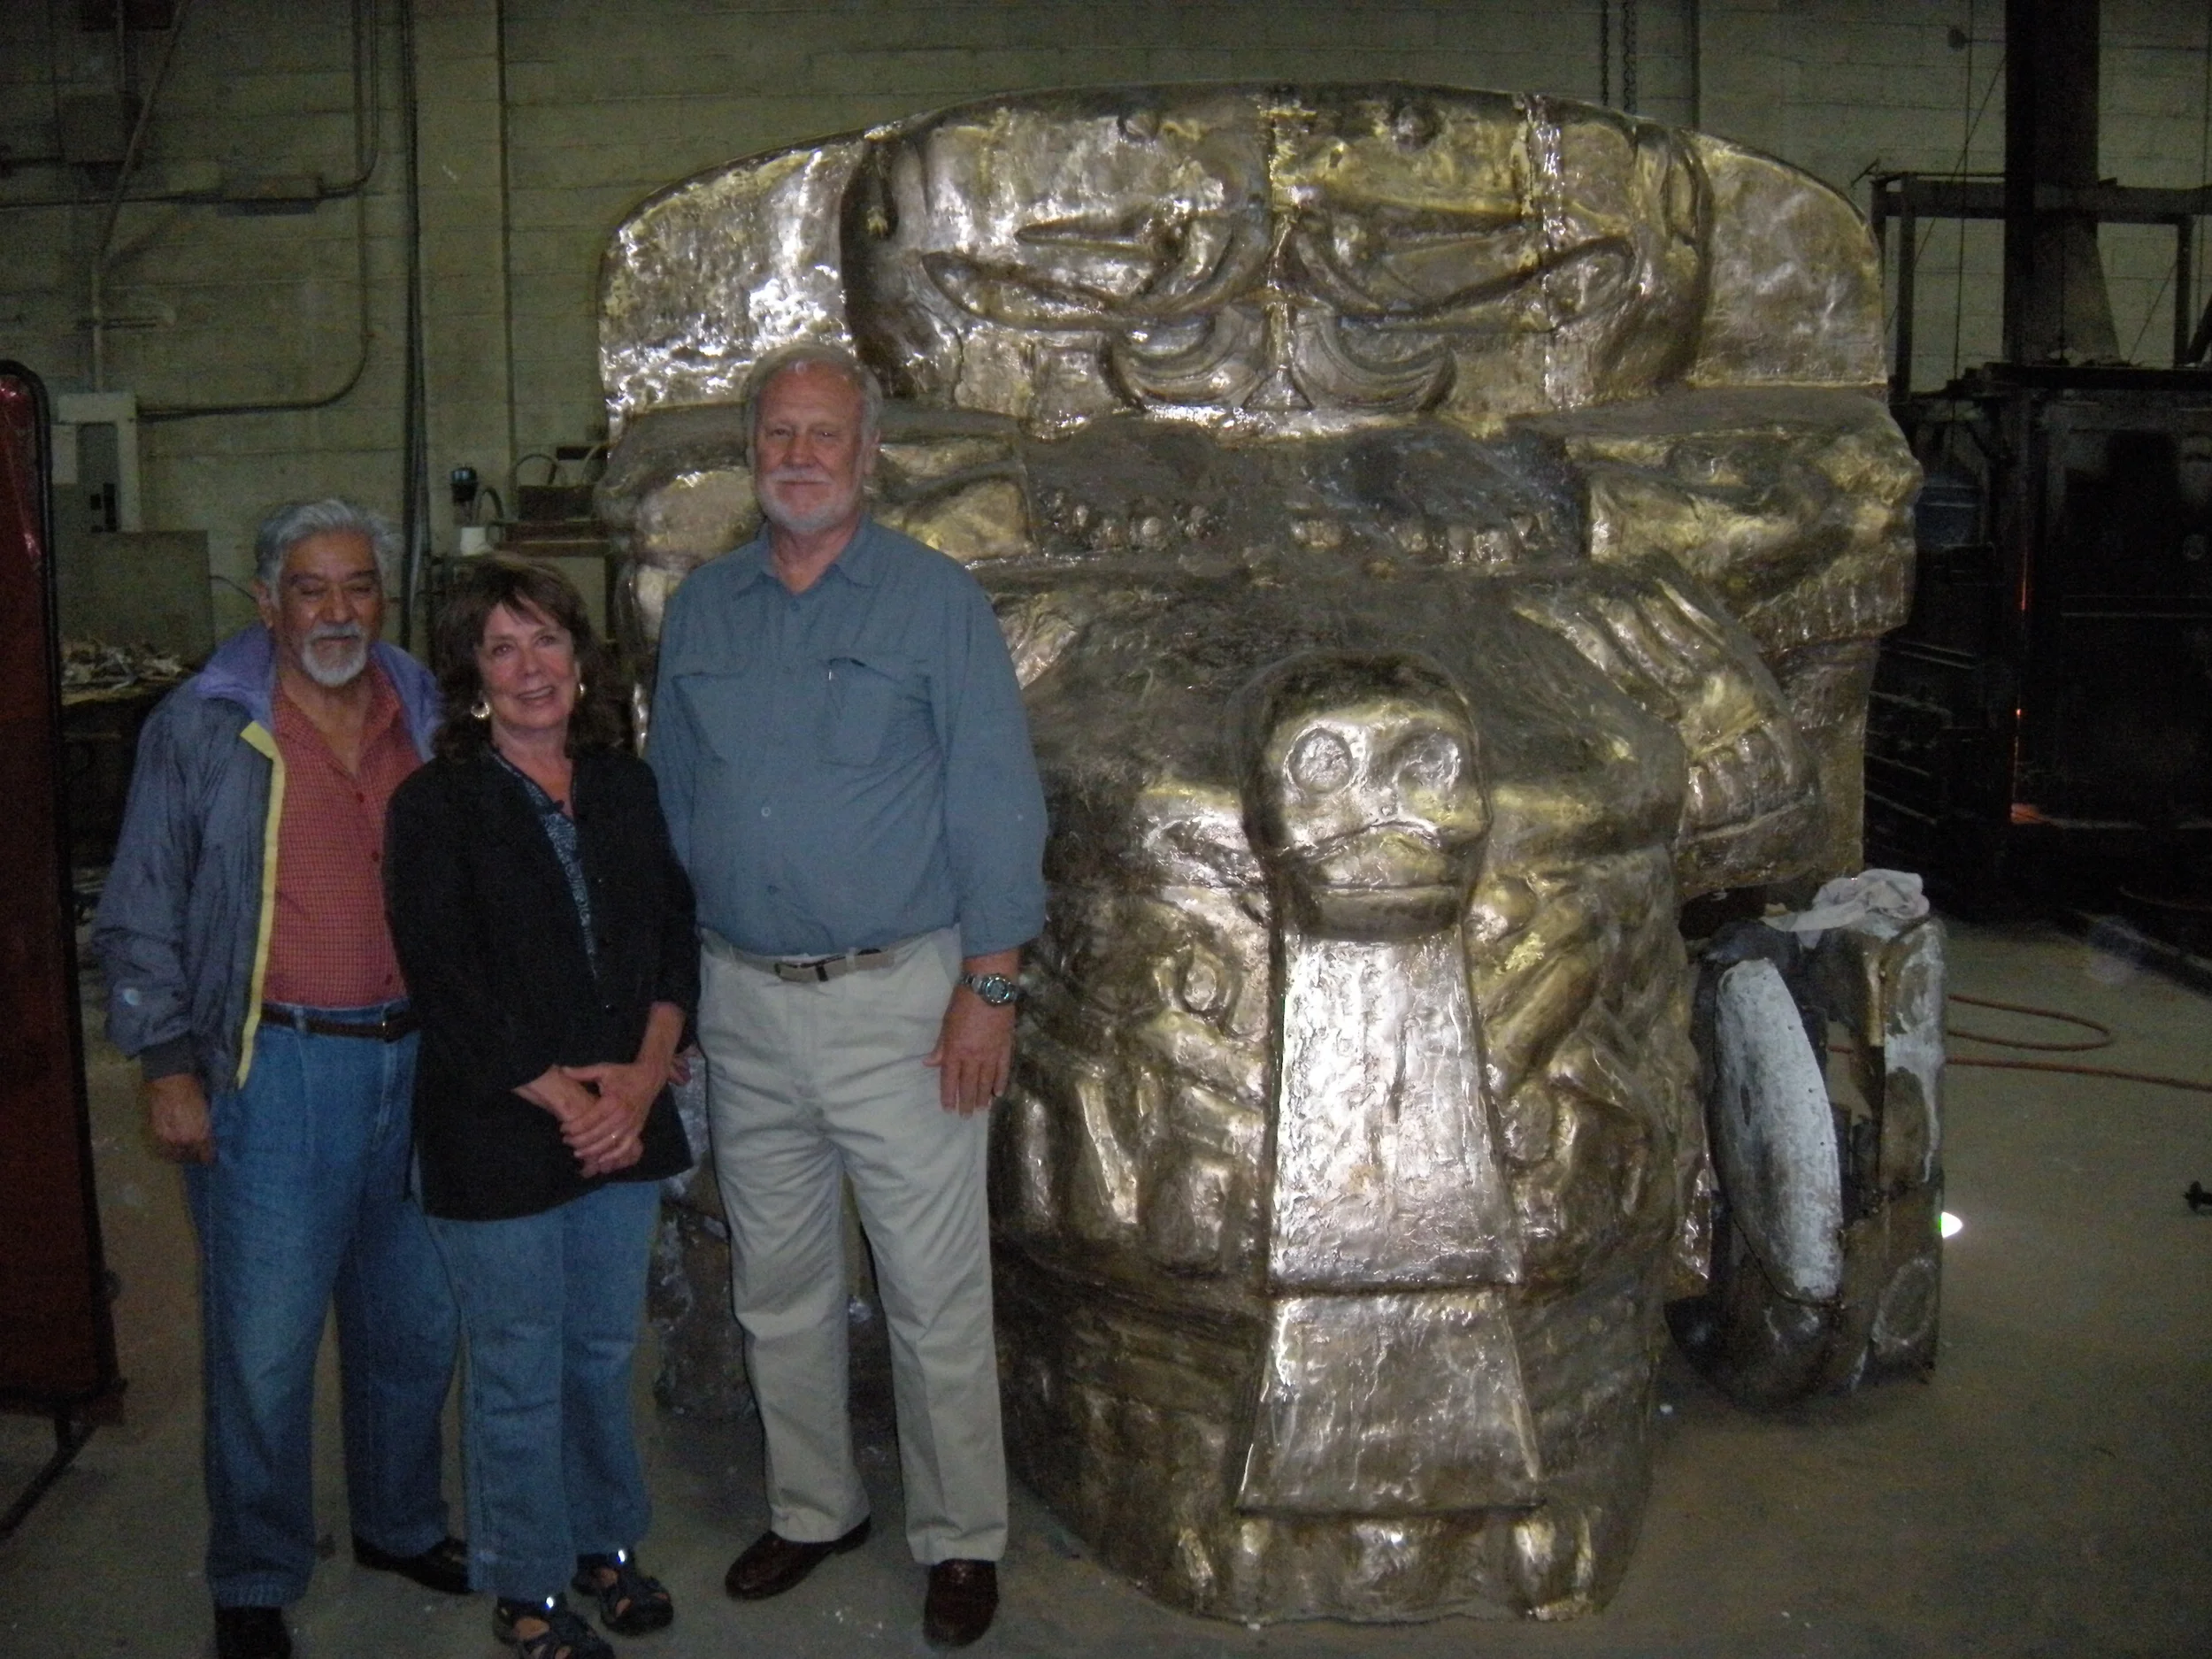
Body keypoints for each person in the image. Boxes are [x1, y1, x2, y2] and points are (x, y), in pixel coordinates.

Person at [647, 342, 1047, 1649]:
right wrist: (679, 997)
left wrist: (990, 983)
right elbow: (672, 806)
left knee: (935, 1291)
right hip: (745, 1000)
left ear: (869, 457)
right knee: (780, 1283)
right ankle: (816, 1505)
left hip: (904, 1001)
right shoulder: (705, 611)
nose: (800, 456)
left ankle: (960, 1533)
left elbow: (996, 796)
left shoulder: (935, 603)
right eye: (779, 436)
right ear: (752, 454)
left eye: (824, 435)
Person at [94, 499, 465, 1659]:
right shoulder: (203, 725)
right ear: (266, 601)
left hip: (418, 1064)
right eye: (311, 587)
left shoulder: (430, 707)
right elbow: (141, 907)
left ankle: (400, 1522)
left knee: (412, 1325)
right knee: (262, 1344)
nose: (337, 609)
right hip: (275, 1064)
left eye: (358, 584)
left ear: (382, 597)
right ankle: (256, 1568)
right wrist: (169, 1067)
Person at [384, 558, 697, 1659]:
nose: (530, 669)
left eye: (547, 642)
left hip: (628, 1109)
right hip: (499, 1124)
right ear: (471, 677)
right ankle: (527, 1591)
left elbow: (670, 938)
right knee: (518, 1365)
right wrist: (572, 1097)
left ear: (580, 659)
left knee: (602, 1351)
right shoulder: (436, 805)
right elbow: (447, 980)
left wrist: (646, 1076)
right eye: (502, 649)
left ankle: (603, 1544)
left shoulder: (625, 785)